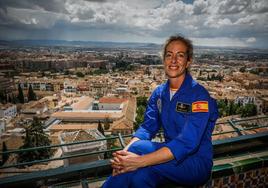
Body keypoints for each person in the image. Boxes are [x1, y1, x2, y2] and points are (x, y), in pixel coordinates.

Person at [102, 35, 219, 188]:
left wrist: (138, 160)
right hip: (167, 159)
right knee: (141, 177)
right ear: (164, 59)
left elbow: (187, 142)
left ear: (188, 61)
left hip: (195, 162)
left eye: (180, 55)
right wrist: (123, 156)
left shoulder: (199, 96)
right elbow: (147, 127)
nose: (174, 60)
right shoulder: (159, 93)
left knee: (138, 148)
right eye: (169, 55)